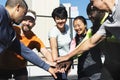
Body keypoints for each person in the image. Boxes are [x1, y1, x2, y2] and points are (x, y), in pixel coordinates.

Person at [0, 0, 57, 79]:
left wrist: (49, 67)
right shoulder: (2, 13)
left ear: (34, 23)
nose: (26, 21)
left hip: (20, 68)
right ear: (18, 7)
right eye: (24, 15)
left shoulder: (10, 33)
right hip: (3, 67)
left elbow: (26, 52)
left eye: (30, 21)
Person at [56, 0, 120, 66]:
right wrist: (68, 57)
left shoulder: (116, 11)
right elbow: (89, 43)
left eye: (92, 2)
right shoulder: (106, 24)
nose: (92, 6)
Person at [87, 2, 120, 80]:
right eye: (88, 14)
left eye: (91, 12)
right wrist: (68, 57)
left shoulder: (112, 18)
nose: (89, 16)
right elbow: (87, 43)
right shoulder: (92, 30)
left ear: (99, 10)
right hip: (109, 68)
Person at [70, 16, 103, 80]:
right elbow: (71, 55)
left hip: (96, 73)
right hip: (82, 73)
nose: (77, 28)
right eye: (75, 26)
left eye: (79, 25)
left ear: (85, 25)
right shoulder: (75, 40)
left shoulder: (94, 35)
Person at [48, 7, 72, 80]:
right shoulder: (53, 32)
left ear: (66, 18)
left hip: (68, 61)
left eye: (62, 18)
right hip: (59, 63)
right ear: (54, 19)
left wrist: (70, 61)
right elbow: (54, 49)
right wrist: (57, 64)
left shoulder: (68, 28)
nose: (60, 21)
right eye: (58, 19)